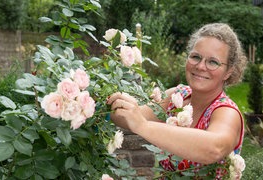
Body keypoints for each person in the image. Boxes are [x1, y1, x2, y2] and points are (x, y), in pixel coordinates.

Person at [106, 23, 247, 179]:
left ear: (229, 72)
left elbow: (214, 148)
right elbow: (130, 117)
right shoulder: (177, 97)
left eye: (213, 62)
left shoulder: (227, 112)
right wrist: (97, 103)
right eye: (195, 57)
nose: (200, 66)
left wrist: (143, 126)